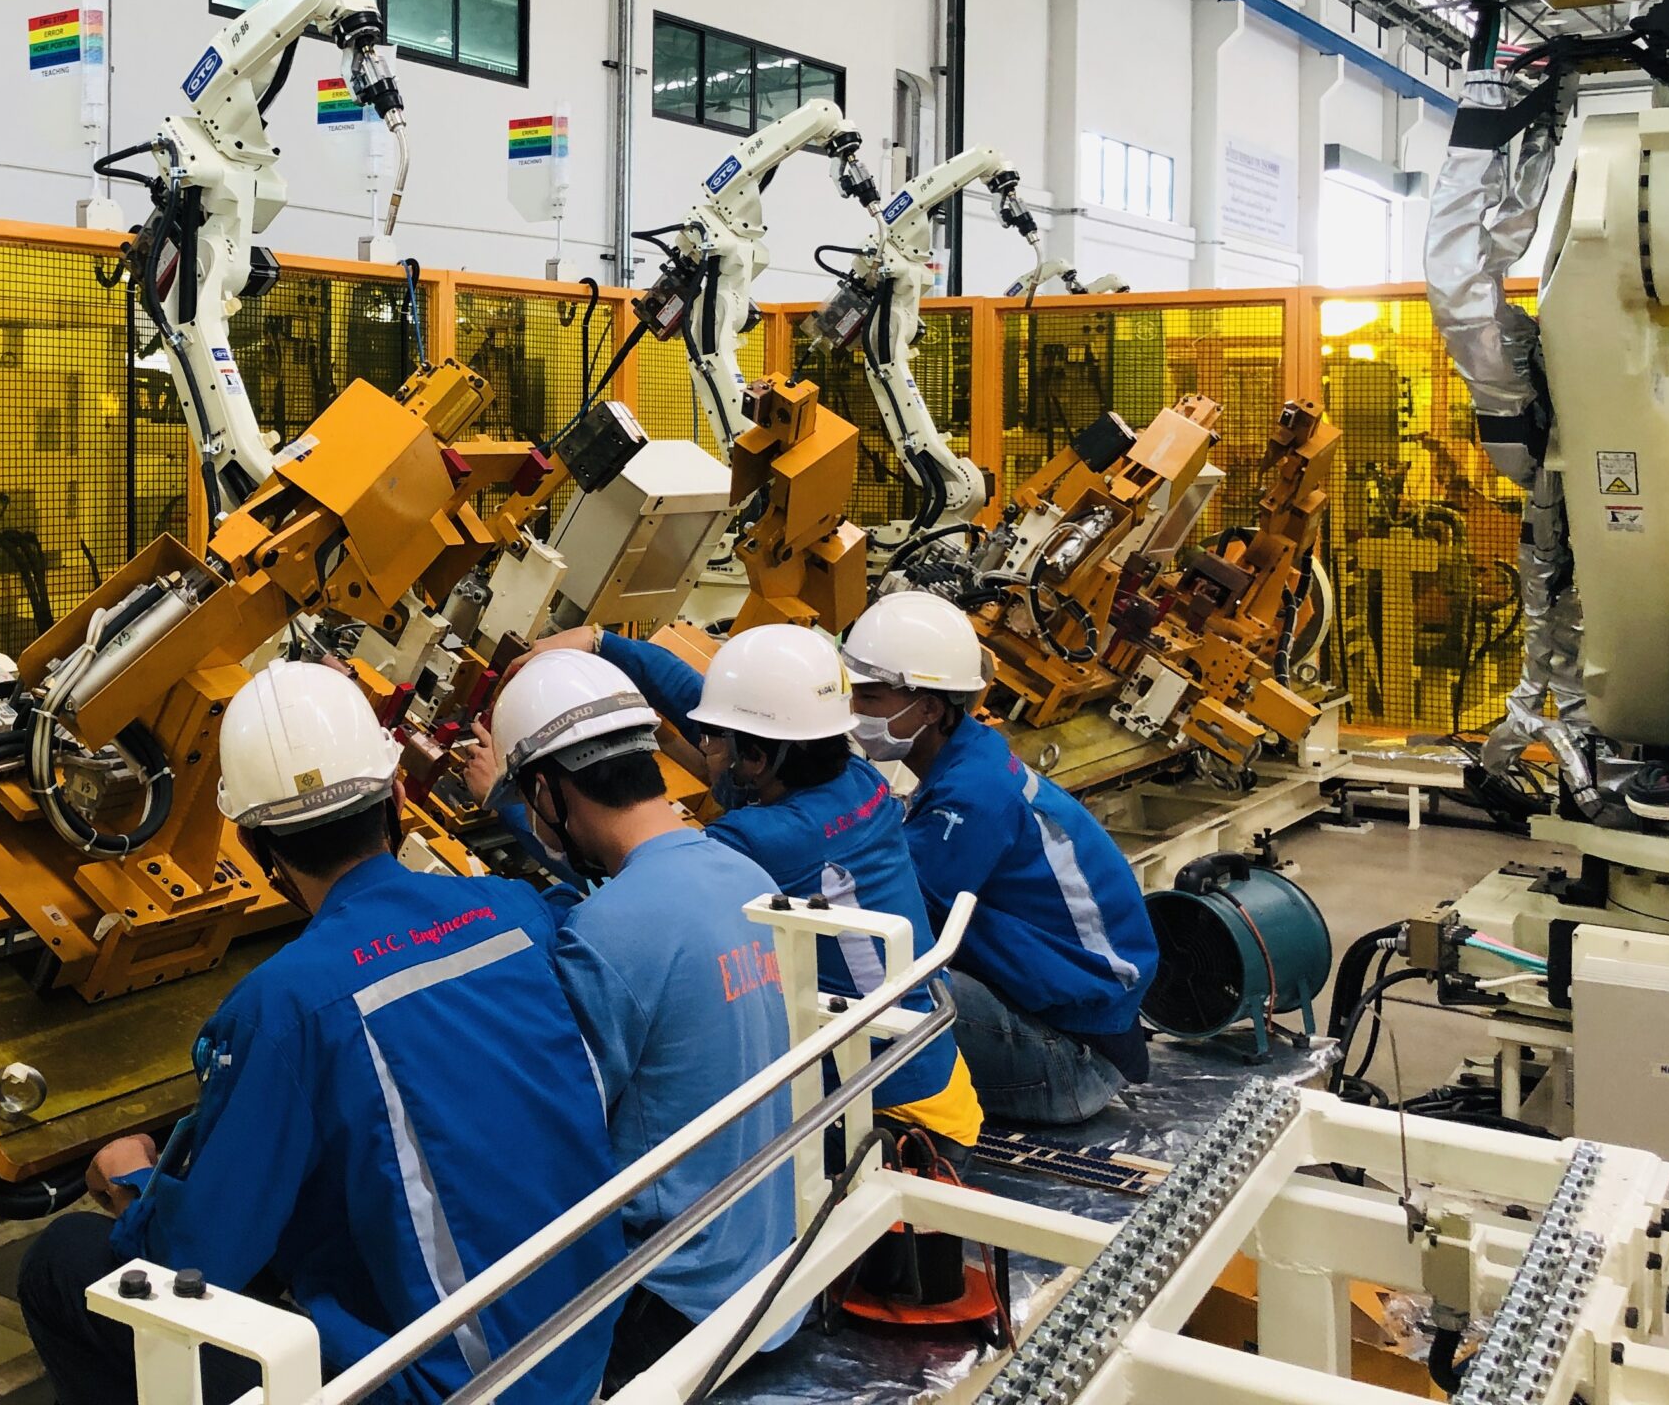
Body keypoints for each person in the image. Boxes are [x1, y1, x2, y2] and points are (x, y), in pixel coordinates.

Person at [16, 660, 623, 1405]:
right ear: (396, 796)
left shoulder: (283, 1006)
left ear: (253, 845)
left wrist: (135, 1183)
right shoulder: (513, 910)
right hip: (583, 1345)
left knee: (64, 1261)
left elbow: (198, 1259)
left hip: (462, 1390)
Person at [520, 622, 982, 1153]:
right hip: (936, 1070)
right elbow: (740, 713)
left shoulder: (756, 840)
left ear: (757, 760)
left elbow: (635, 890)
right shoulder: (859, 781)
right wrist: (603, 643)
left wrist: (518, 805)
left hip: (888, 1114)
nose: (705, 746)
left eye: (713, 739)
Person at [478, 650, 797, 1391]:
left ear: (545, 791)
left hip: (675, 1304)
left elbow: (555, 1132)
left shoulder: (609, 930)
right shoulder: (745, 874)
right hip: (770, 1278)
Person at [841, 591, 1160, 1126]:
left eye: (869, 697)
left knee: (854, 982)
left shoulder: (973, 797)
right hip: (1088, 1034)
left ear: (929, 708)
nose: (855, 711)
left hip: (1073, 1063)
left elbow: (894, 914)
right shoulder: (969, 762)